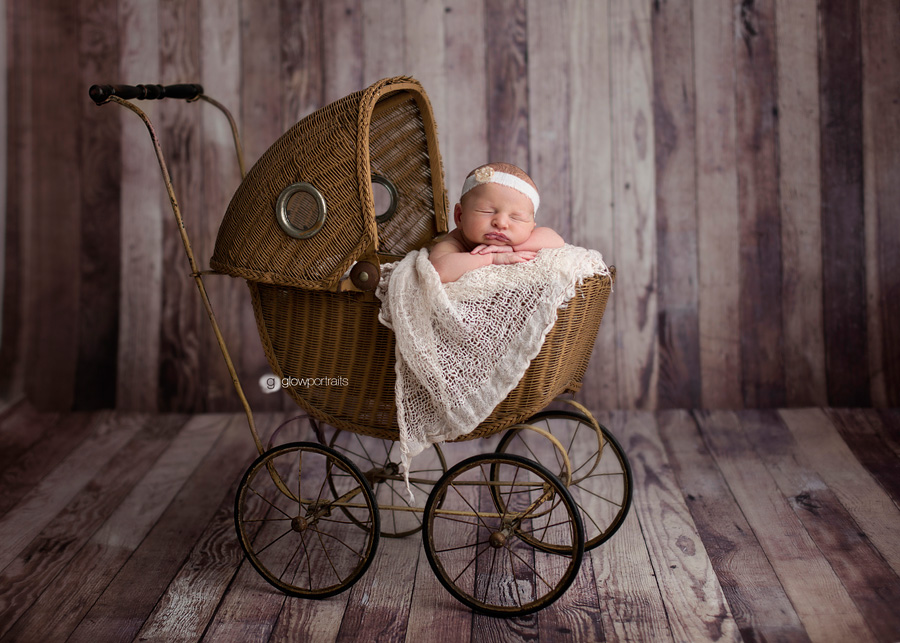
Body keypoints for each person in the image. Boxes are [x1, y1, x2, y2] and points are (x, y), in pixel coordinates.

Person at [428, 162, 564, 283]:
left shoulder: (521, 239)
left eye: (516, 217)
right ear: (460, 216)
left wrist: (512, 249)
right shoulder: (455, 242)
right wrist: (492, 258)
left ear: (531, 227)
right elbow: (439, 270)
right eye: (486, 211)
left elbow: (556, 240)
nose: (501, 223)